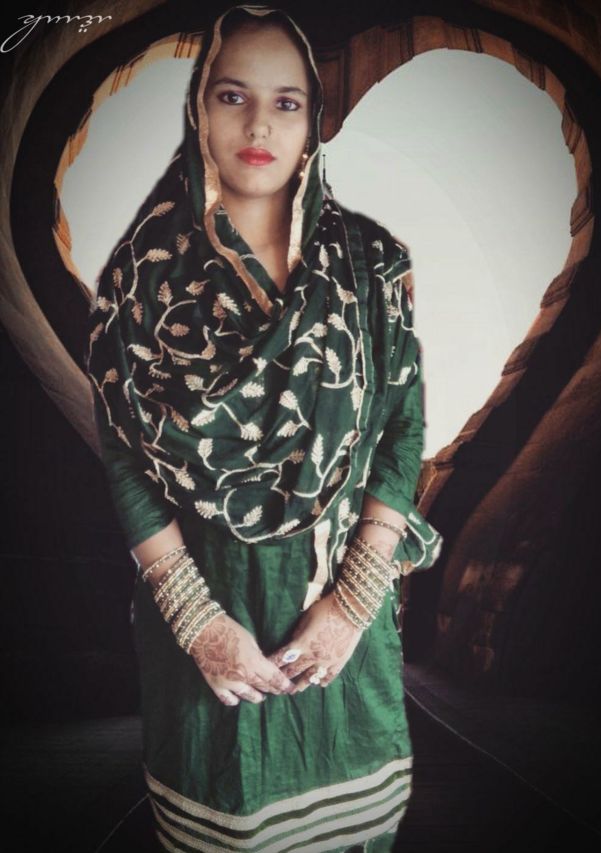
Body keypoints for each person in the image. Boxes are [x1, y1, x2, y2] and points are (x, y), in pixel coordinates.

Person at [85, 4, 443, 851]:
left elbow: (402, 427)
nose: (258, 125)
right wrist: (198, 620)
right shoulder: (141, 276)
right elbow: (125, 453)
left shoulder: (371, 265)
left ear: (313, 120)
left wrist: (352, 602)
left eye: (286, 102)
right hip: (206, 625)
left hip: (341, 626)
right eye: (232, 95)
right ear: (198, 108)